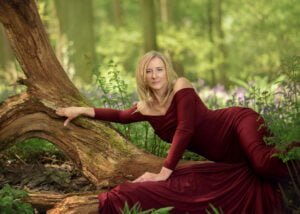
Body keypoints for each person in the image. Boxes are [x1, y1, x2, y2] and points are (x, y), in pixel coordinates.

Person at [56, 51, 289, 213]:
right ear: (143, 76)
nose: (156, 75)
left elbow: (185, 128)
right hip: (228, 156)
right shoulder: (145, 108)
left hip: (236, 125)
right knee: (242, 178)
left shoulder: (182, 87)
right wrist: (80, 109)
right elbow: (119, 116)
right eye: (150, 71)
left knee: (262, 164)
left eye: (160, 69)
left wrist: (164, 172)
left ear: (168, 72)